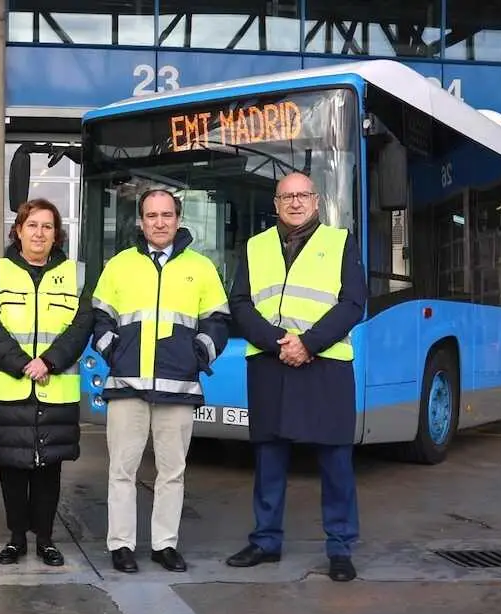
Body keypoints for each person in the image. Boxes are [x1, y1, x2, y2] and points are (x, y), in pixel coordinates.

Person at [223, 172, 367, 582]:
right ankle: (265, 542)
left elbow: (352, 303)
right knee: (269, 460)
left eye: (302, 195)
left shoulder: (341, 242)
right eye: (287, 196)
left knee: (336, 463)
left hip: (325, 367)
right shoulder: (256, 246)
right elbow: (241, 302)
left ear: (316, 201)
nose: (295, 202)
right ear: (276, 204)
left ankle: (340, 548)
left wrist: (308, 343)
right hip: (271, 366)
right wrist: (276, 342)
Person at [91, 189, 230, 573]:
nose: (159, 222)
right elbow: (100, 317)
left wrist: (197, 357)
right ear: (140, 220)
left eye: (166, 215)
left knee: (173, 472)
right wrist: (114, 352)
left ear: (178, 218)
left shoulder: (201, 268)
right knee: (122, 469)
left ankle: (164, 544)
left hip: (178, 388)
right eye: (151, 215)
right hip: (127, 387)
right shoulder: (119, 265)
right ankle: (121, 545)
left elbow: (217, 321)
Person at [0, 198, 94, 567]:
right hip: (9, 389)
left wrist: (50, 362)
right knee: (12, 469)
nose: (39, 233)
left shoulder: (76, 274)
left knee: (48, 470)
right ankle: (15, 539)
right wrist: (24, 363)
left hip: (55, 390)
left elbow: (81, 325)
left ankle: (45, 539)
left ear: (56, 234)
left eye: (47, 226)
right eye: (32, 225)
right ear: (18, 231)